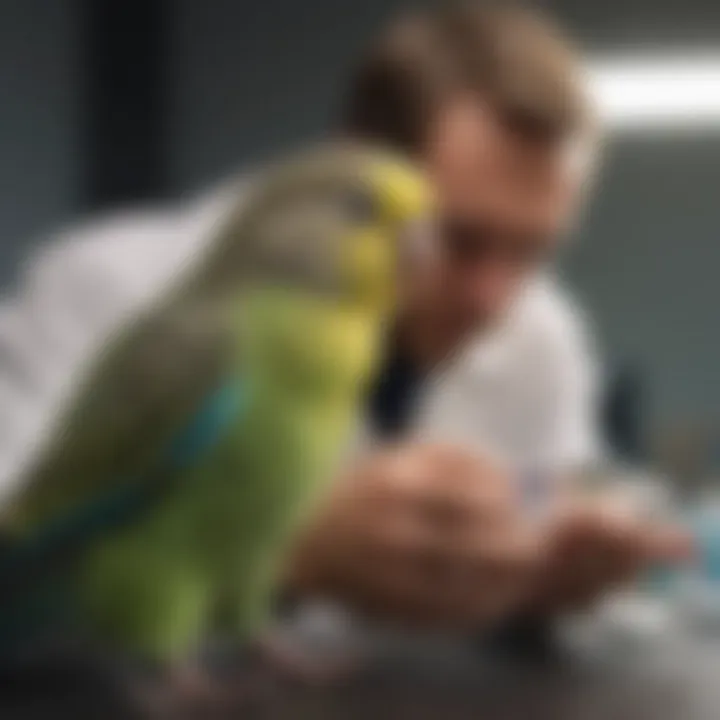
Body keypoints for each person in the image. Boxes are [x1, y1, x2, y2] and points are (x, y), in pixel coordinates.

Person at [0, 2, 689, 640]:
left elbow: (546, 517)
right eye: (460, 239)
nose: (494, 300)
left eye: (533, 250)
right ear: (355, 164)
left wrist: (546, 580)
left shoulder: (544, 336)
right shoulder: (109, 290)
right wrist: (288, 550)